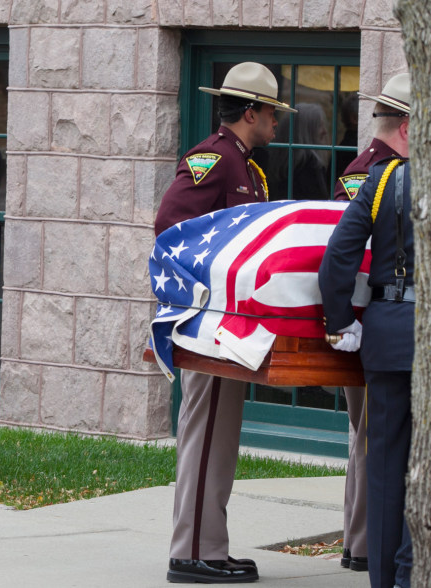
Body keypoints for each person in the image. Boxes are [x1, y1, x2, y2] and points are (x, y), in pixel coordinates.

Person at [154, 62, 296, 584]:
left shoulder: (248, 167)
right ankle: (191, 552)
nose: (277, 122)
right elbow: (170, 227)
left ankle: (210, 545)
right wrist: (206, 296)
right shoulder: (212, 158)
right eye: (272, 113)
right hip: (212, 321)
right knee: (207, 430)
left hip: (233, 325)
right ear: (252, 112)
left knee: (221, 435)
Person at [318, 73, 413, 588]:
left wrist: (342, 323)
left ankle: (383, 579)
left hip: (385, 335)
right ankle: (412, 571)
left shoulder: (379, 182)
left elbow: (337, 261)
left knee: (384, 467)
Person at [267, 102, 330, 200]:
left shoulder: (276, 164)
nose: (324, 131)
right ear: (306, 131)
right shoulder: (311, 167)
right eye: (319, 126)